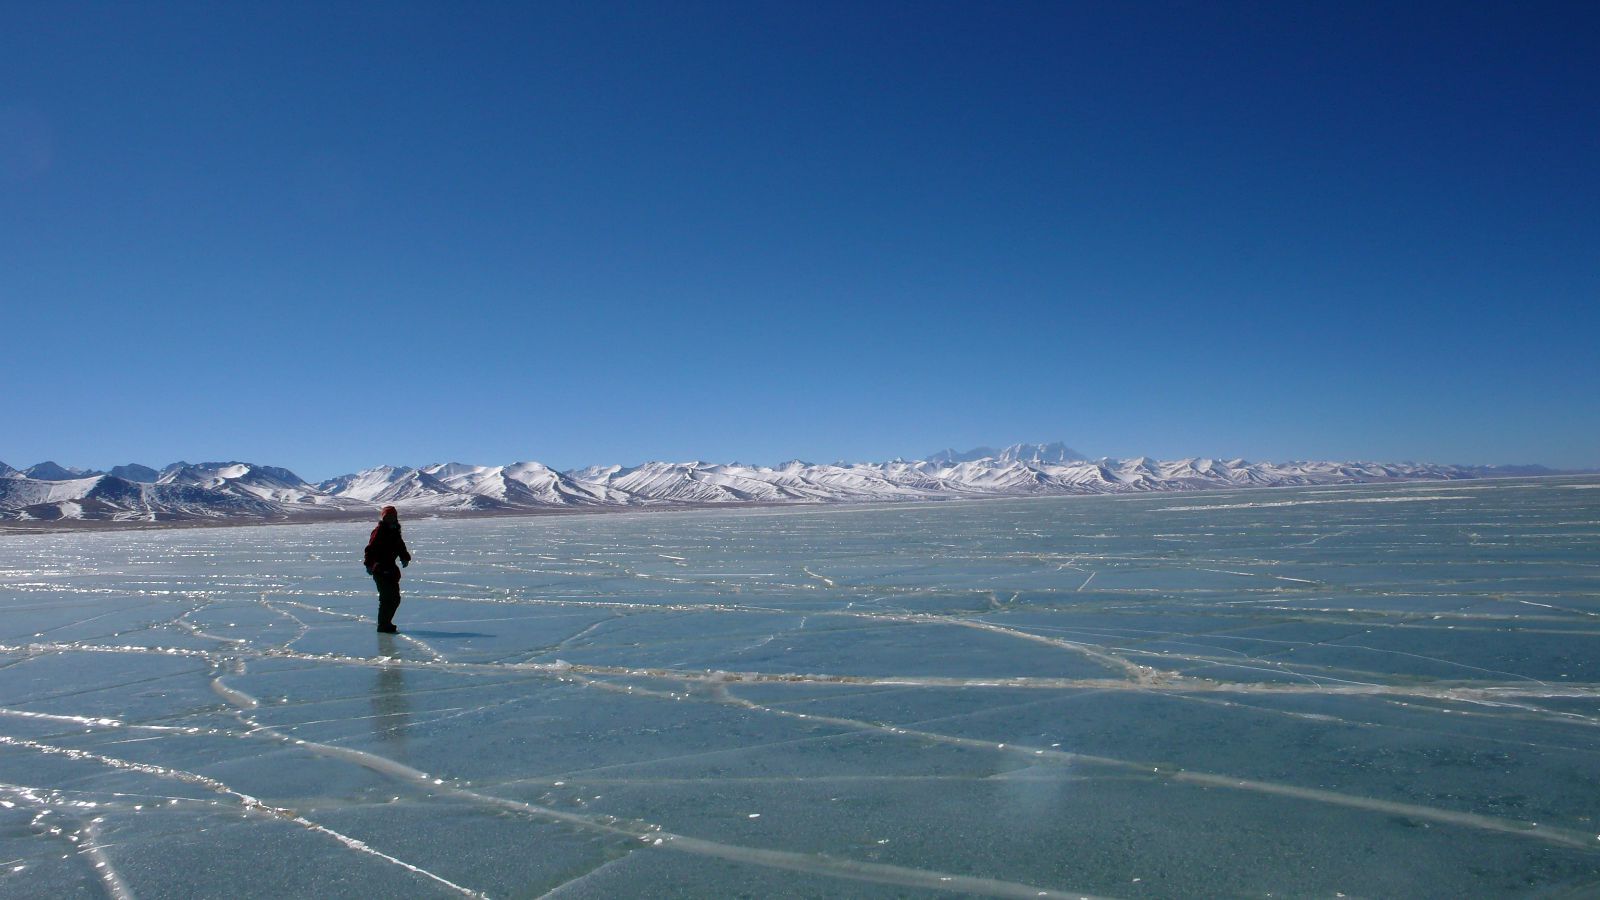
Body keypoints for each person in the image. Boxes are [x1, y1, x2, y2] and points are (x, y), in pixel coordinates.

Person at [363, 505, 412, 633]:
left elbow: (400, 546)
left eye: (392, 516)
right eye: (388, 517)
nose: (390, 519)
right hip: (380, 569)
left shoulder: (395, 530)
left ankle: (386, 622)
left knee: (395, 598)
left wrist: (405, 557)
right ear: (384, 518)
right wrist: (368, 564)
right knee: (386, 598)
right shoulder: (379, 531)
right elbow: (370, 548)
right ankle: (383, 625)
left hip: (391, 569)